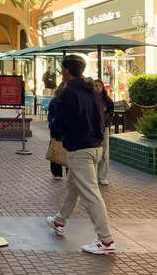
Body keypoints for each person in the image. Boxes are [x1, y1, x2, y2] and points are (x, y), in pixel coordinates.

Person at [48, 55, 115, 255]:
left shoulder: (69, 92)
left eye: (62, 68)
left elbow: (63, 119)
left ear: (67, 70)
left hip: (80, 148)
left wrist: (57, 134)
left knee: (90, 193)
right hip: (95, 146)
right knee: (73, 186)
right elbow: (100, 117)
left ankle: (106, 240)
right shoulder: (92, 90)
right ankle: (60, 221)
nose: (61, 71)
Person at [94, 79, 115, 186]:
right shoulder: (90, 99)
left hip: (104, 127)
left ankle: (102, 176)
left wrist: (105, 120)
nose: (97, 88)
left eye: (99, 86)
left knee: (104, 151)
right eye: (95, 85)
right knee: (94, 151)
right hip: (92, 128)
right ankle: (93, 175)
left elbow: (111, 112)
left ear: (102, 88)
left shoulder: (107, 100)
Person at [47, 82, 67, 180]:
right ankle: (56, 172)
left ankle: (69, 171)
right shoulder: (54, 101)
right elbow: (50, 116)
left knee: (69, 151)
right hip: (56, 130)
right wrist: (52, 125)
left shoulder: (72, 101)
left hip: (68, 131)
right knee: (56, 150)